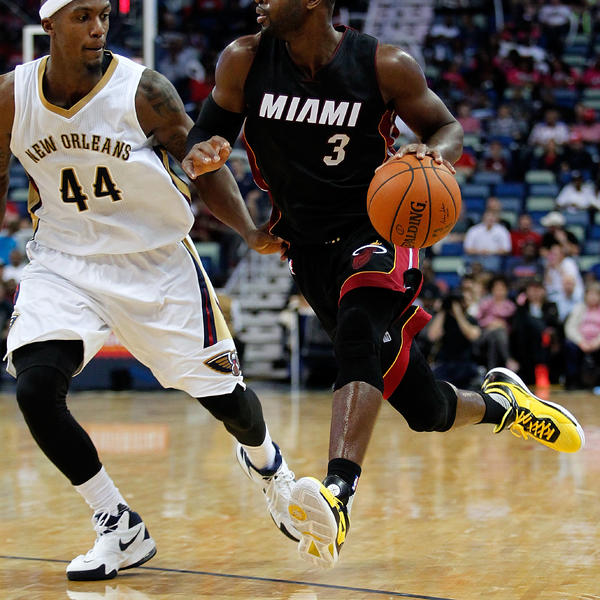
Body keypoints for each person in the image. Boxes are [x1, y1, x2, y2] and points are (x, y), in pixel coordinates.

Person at [182, 0, 585, 569]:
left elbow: (447, 128)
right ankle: (505, 407)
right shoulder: (243, 61)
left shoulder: (384, 64)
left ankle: (338, 493)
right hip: (307, 248)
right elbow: (202, 150)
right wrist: (244, 223)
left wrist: (433, 154)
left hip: (380, 224)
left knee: (357, 332)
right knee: (426, 409)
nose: (259, 1)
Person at [0, 0, 299, 582]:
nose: (98, 28)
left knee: (229, 403)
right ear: (49, 23)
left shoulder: (144, 90)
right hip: (64, 260)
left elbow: (201, 164)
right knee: (35, 388)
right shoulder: (12, 96)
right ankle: (117, 524)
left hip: (154, 261)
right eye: (82, 16)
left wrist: (248, 230)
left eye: (103, 15)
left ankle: (269, 465)